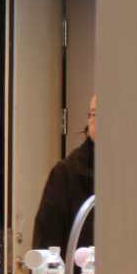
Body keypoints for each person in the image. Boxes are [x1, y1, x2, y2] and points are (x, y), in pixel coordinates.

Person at [34, 93, 95, 252]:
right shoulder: (66, 174)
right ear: (90, 121)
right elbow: (46, 248)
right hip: (78, 267)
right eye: (94, 114)